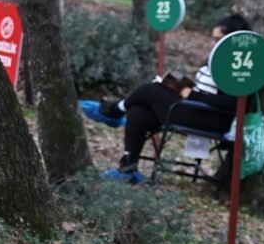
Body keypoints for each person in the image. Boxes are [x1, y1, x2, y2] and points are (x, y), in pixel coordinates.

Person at [81, 14, 244, 182]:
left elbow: (234, 104)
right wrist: (180, 85)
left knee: (151, 90)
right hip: (194, 109)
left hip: (208, 119)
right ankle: (128, 169)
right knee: (138, 112)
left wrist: (193, 94)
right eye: (213, 39)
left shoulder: (239, 69)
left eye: (219, 40)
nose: (214, 45)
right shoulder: (217, 60)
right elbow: (207, 90)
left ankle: (115, 111)